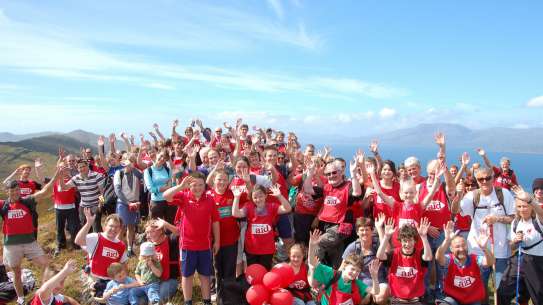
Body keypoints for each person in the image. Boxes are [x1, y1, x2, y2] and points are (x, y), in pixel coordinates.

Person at [1, 168, 60, 305]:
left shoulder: (27, 201)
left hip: (30, 243)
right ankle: (21, 298)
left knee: (46, 265)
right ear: (7, 192)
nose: (15, 192)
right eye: (12, 190)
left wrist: (57, 173)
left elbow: (45, 191)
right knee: (16, 272)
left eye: (17, 190)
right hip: (11, 245)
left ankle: (45, 290)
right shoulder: (3, 205)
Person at [451, 167, 515, 290]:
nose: (484, 181)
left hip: (500, 252)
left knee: (500, 290)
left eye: (487, 178)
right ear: (477, 180)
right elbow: (455, 211)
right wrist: (458, 195)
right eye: (480, 179)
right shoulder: (472, 196)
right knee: (478, 288)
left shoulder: (503, 194)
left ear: (493, 178)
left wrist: (497, 219)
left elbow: (514, 217)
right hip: (477, 251)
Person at [163, 172, 220, 305]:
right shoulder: (183, 196)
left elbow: (215, 221)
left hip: (205, 245)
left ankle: (207, 301)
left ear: (205, 185)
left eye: (201, 185)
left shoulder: (210, 200)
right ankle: (188, 302)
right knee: (187, 275)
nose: (198, 188)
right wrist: (180, 187)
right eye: (194, 185)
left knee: (205, 275)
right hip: (187, 246)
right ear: (189, 186)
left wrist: (217, 241)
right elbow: (166, 196)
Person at [303, 156, 363, 268]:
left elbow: (357, 192)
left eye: (334, 172)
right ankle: (335, 278)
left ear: (341, 172)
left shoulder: (348, 186)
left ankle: (311, 271)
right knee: (336, 255)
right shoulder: (327, 188)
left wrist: (353, 174)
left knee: (318, 243)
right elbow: (307, 189)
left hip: (341, 227)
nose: (331, 176)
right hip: (326, 225)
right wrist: (310, 173)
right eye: (328, 174)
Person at [497, 186, 543, 305]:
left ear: (531, 206)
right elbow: (511, 246)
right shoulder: (516, 222)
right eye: (519, 206)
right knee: (503, 291)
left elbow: (541, 212)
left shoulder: (538, 220)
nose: (522, 209)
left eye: (525, 206)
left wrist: (530, 199)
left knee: (538, 295)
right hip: (519, 259)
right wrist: (515, 241)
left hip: (537, 261)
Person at [308, 230, 380, 305]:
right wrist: (312, 246)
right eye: (352, 269)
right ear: (345, 266)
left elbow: (375, 291)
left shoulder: (356, 283)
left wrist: (374, 277)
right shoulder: (332, 274)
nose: (354, 273)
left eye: (357, 271)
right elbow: (312, 263)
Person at [232, 184, 291, 270]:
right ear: (252, 198)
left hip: (267, 249)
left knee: (265, 272)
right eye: (255, 197)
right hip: (251, 249)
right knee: (253, 273)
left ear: (265, 196)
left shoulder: (272, 206)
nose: (258, 199)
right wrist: (236, 197)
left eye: (260, 196)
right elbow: (235, 213)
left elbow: (287, 208)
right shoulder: (248, 207)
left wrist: (279, 196)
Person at [435, 221, 494, 305]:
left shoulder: (475, 259)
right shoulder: (449, 260)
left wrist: (484, 248)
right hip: (452, 299)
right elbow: (438, 257)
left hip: (472, 299)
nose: (461, 249)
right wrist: (447, 240)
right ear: (451, 249)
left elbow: (490, 261)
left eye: (464, 245)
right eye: (457, 247)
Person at [376, 218, 433, 305]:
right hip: (397, 300)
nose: (407, 244)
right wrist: (386, 237)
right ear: (400, 241)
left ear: (415, 241)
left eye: (410, 240)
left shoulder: (419, 253)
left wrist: (424, 237)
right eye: (404, 241)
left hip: (416, 300)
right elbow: (379, 255)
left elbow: (428, 257)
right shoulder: (394, 254)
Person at [74, 210, 128, 298]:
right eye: (111, 226)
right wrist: (88, 223)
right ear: (105, 226)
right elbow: (78, 241)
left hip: (112, 280)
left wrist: (125, 280)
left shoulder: (120, 245)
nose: (113, 229)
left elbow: (123, 264)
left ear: (120, 229)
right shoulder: (96, 237)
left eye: (117, 227)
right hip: (95, 278)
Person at [342, 217, 389, 304]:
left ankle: (371, 298)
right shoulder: (353, 247)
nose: (364, 232)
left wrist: (379, 229)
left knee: (380, 298)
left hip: (379, 280)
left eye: (367, 229)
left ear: (372, 231)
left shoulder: (378, 243)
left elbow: (387, 251)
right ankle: (369, 298)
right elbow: (342, 268)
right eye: (361, 230)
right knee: (357, 300)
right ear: (357, 232)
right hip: (360, 283)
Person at [58, 160, 105, 232]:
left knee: (96, 228)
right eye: (80, 167)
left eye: (84, 166)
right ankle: (87, 242)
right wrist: (60, 177)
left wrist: (100, 205)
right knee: (85, 228)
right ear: (77, 169)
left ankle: (100, 242)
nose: (82, 169)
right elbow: (64, 188)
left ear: (88, 166)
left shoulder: (97, 175)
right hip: (83, 207)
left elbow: (102, 192)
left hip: (95, 205)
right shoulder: (76, 178)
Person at [144, 219, 180, 303]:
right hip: (152, 281)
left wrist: (166, 224)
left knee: (158, 300)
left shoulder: (171, 239)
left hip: (170, 279)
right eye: (147, 232)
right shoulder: (148, 245)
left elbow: (180, 233)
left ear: (160, 230)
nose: (148, 235)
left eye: (151, 232)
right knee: (141, 300)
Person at [114, 157, 143, 257]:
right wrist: (127, 202)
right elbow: (117, 190)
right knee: (121, 227)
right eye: (128, 161)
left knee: (131, 226)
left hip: (134, 203)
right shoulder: (119, 173)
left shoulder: (136, 172)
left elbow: (142, 176)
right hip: (123, 203)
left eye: (131, 161)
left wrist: (133, 167)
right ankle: (117, 249)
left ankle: (130, 249)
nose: (129, 163)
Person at [52, 161, 79, 256]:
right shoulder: (54, 180)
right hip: (59, 208)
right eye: (60, 168)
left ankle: (75, 244)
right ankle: (60, 245)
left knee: (73, 227)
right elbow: (42, 179)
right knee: (60, 228)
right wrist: (39, 168)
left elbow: (77, 187)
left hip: (71, 207)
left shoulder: (71, 179)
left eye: (64, 167)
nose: (62, 169)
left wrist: (68, 174)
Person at [143, 150, 173, 222]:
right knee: (155, 226)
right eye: (161, 156)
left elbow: (171, 185)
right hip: (156, 202)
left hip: (168, 201)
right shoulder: (148, 171)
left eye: (165, 158)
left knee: (169, 226)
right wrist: (165, 188)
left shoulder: (168, 170)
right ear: (157, 155)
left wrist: (167, 187)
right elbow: (151, 189)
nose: (162, 159)